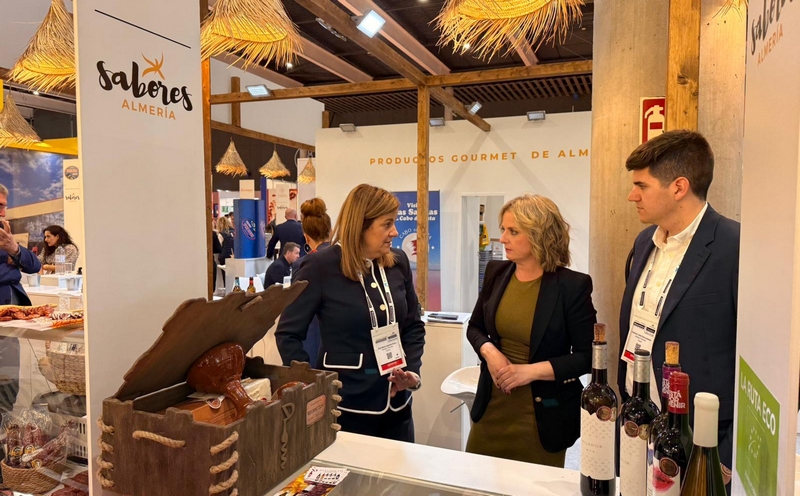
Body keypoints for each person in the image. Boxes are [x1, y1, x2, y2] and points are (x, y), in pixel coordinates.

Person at [618, 130, 739, 481]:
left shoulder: (735, 247)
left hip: (702, 443)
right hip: (638, 426)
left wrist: (728, 457)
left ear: (679, 187)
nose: (632, 195)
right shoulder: (644, 242)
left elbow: (767, 359)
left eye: (641, 186)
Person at [275, 184, 425, 442]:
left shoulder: (398, 262)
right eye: (387, 224)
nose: (395, 232)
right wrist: (313, 386)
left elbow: (413, 326)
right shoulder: (320, 266)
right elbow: (288, 334)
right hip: (344, 408)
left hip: (397, 407)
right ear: (361, 225)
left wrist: (411, 371)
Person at [465, 194, 596, 466]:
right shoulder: (496, 272)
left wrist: (528, 372)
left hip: (542, 416)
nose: (503, 239)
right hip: (492, 408)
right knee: (478, 479)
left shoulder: (572, 287)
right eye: (503, 229)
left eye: (513, 231)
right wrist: (490, 352)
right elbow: (475, 327)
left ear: (540, 235)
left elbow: (587, 357)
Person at [0, 184, 41, 412]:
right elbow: (16, 271)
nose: (3, 212)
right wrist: (11, 267)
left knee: (8, 386)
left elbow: (34, 266)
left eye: (5, 206)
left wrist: (14, 249)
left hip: (11, 319)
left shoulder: (4, 234)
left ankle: (5, 428)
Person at [295, 197, 333, 367]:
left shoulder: (304, 264)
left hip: (313, 333)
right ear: (330, 231)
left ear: (306, 237)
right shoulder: (346, 259)